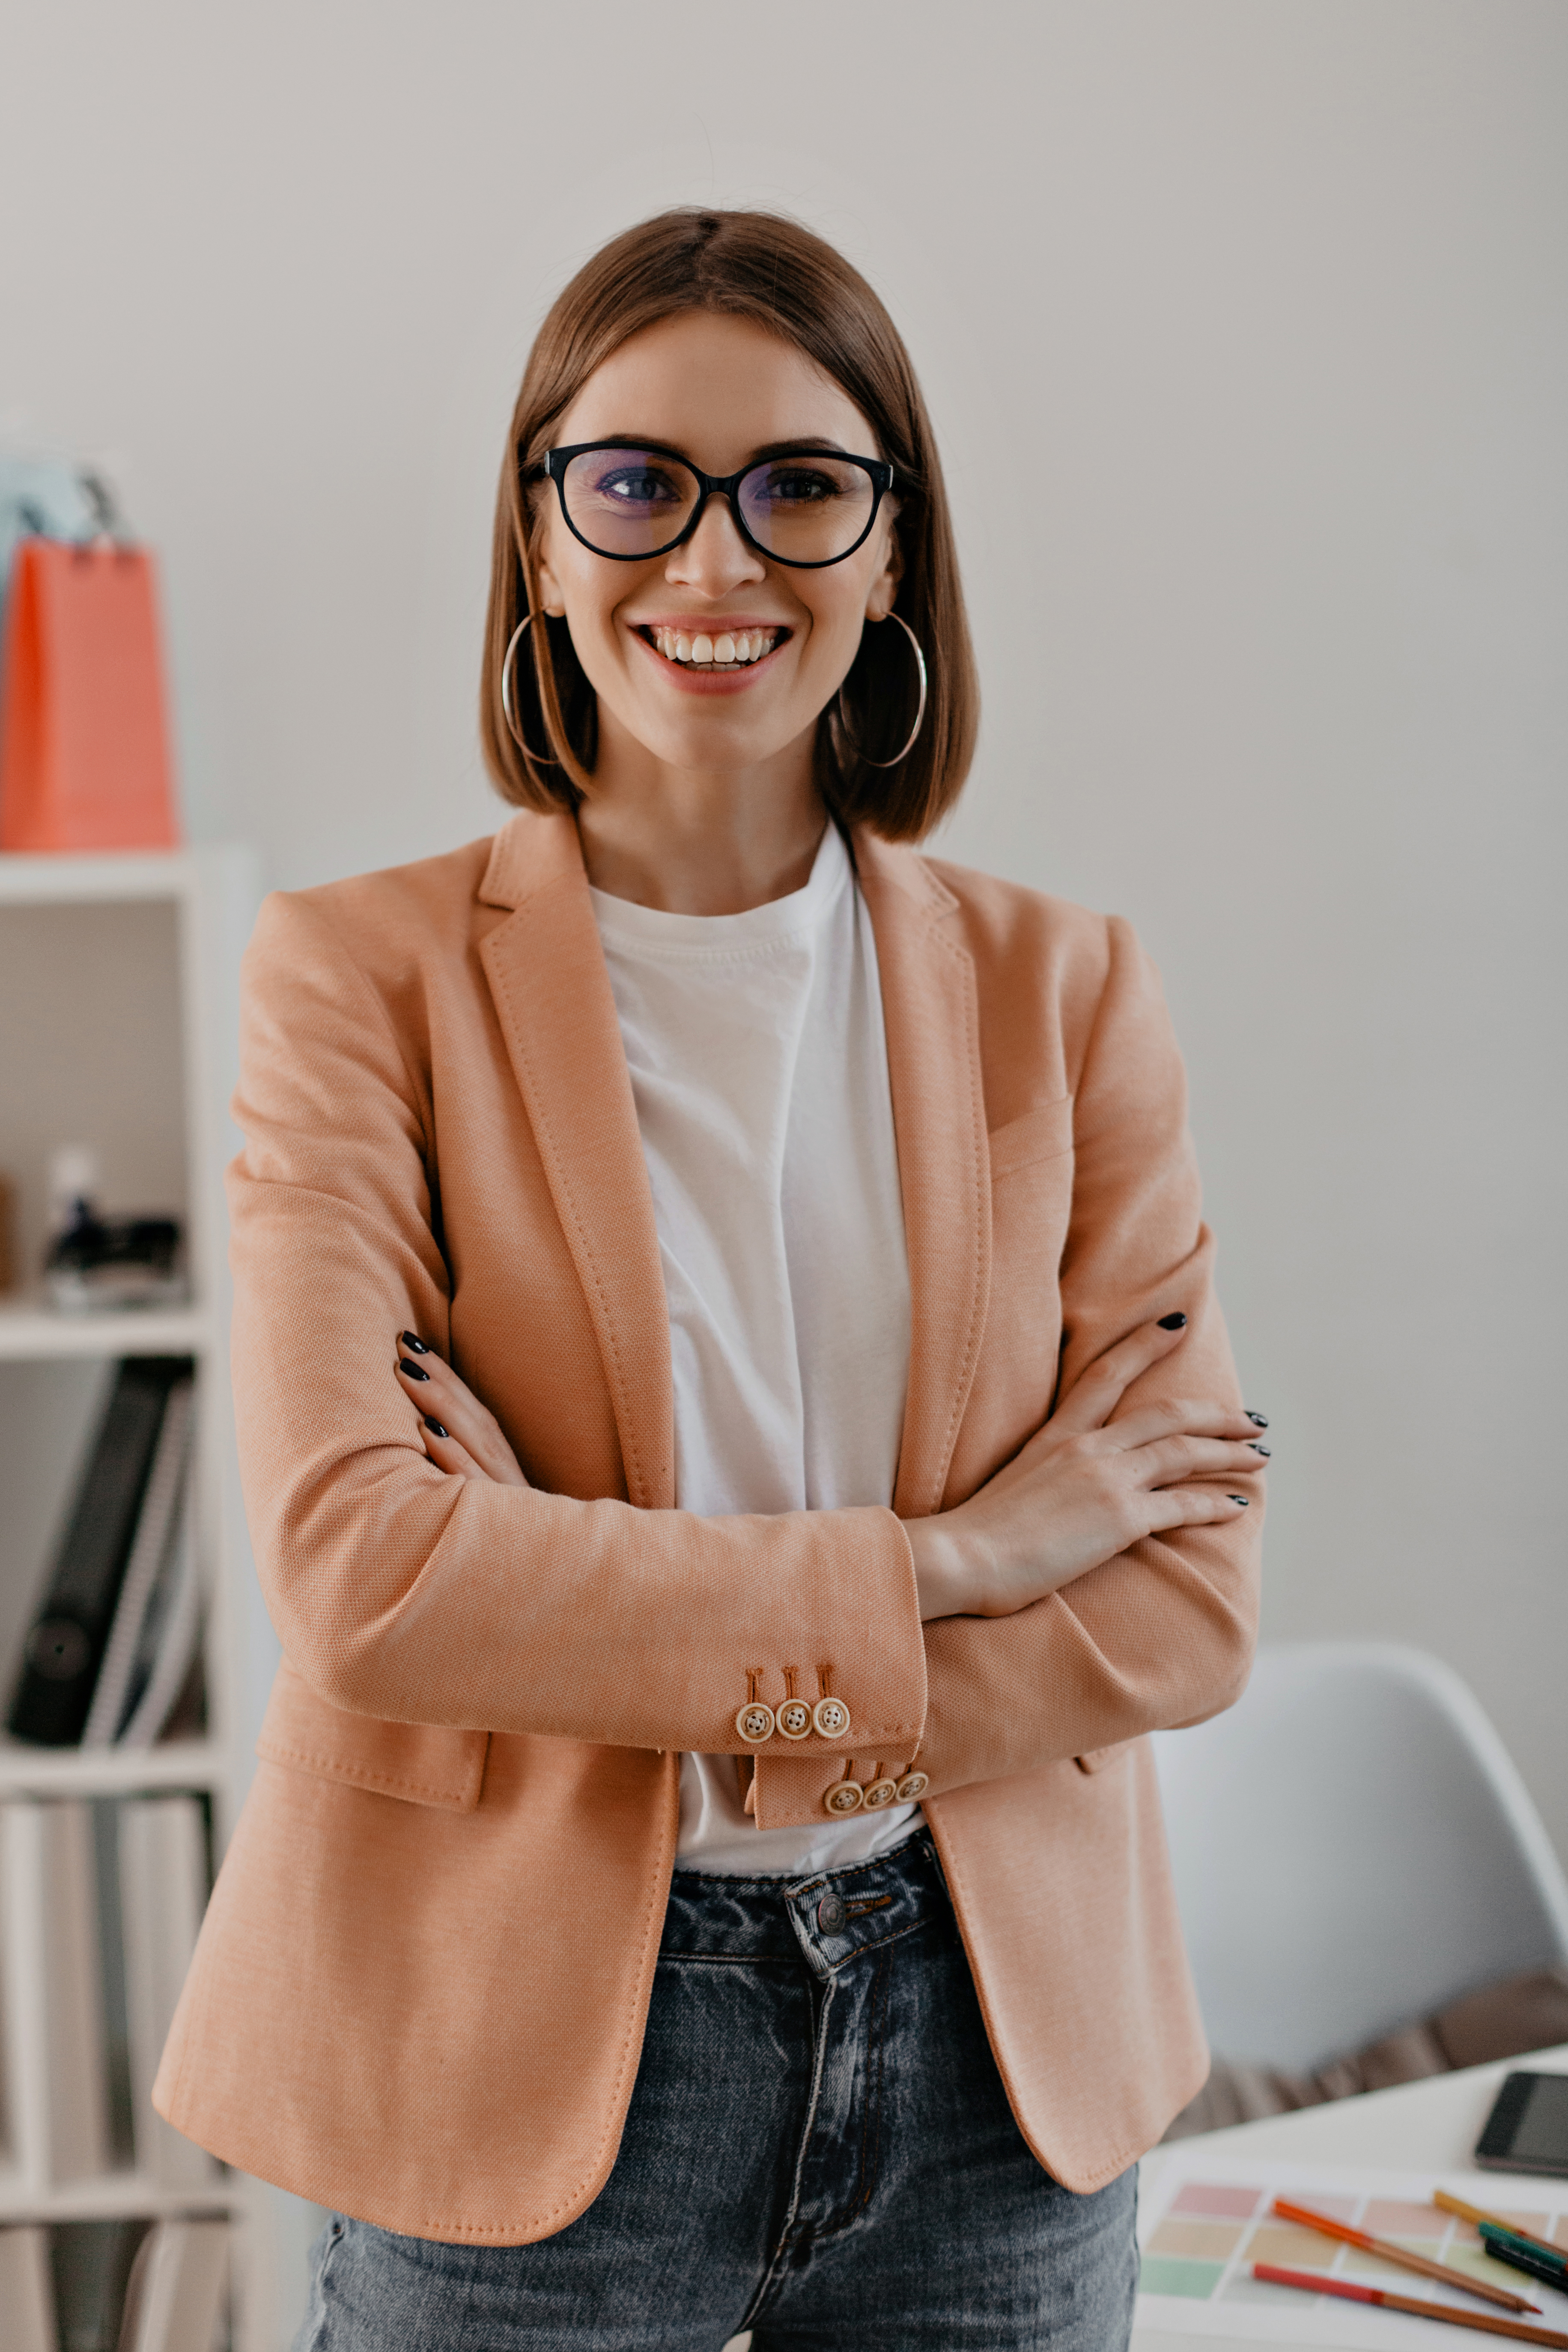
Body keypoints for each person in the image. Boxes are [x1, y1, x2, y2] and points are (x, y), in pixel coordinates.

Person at [155, 208, 1266, 2351]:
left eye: (800, 486)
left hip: (990, 2038)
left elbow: (1183, 1597)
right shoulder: (354, 980)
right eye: (639, 481)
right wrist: (960, 1556)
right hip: (526, 2041)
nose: (715, 560)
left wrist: (680, 1674)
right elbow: (367, 1579)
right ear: (544, 537)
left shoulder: (1068, 988)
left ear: (889, 548)